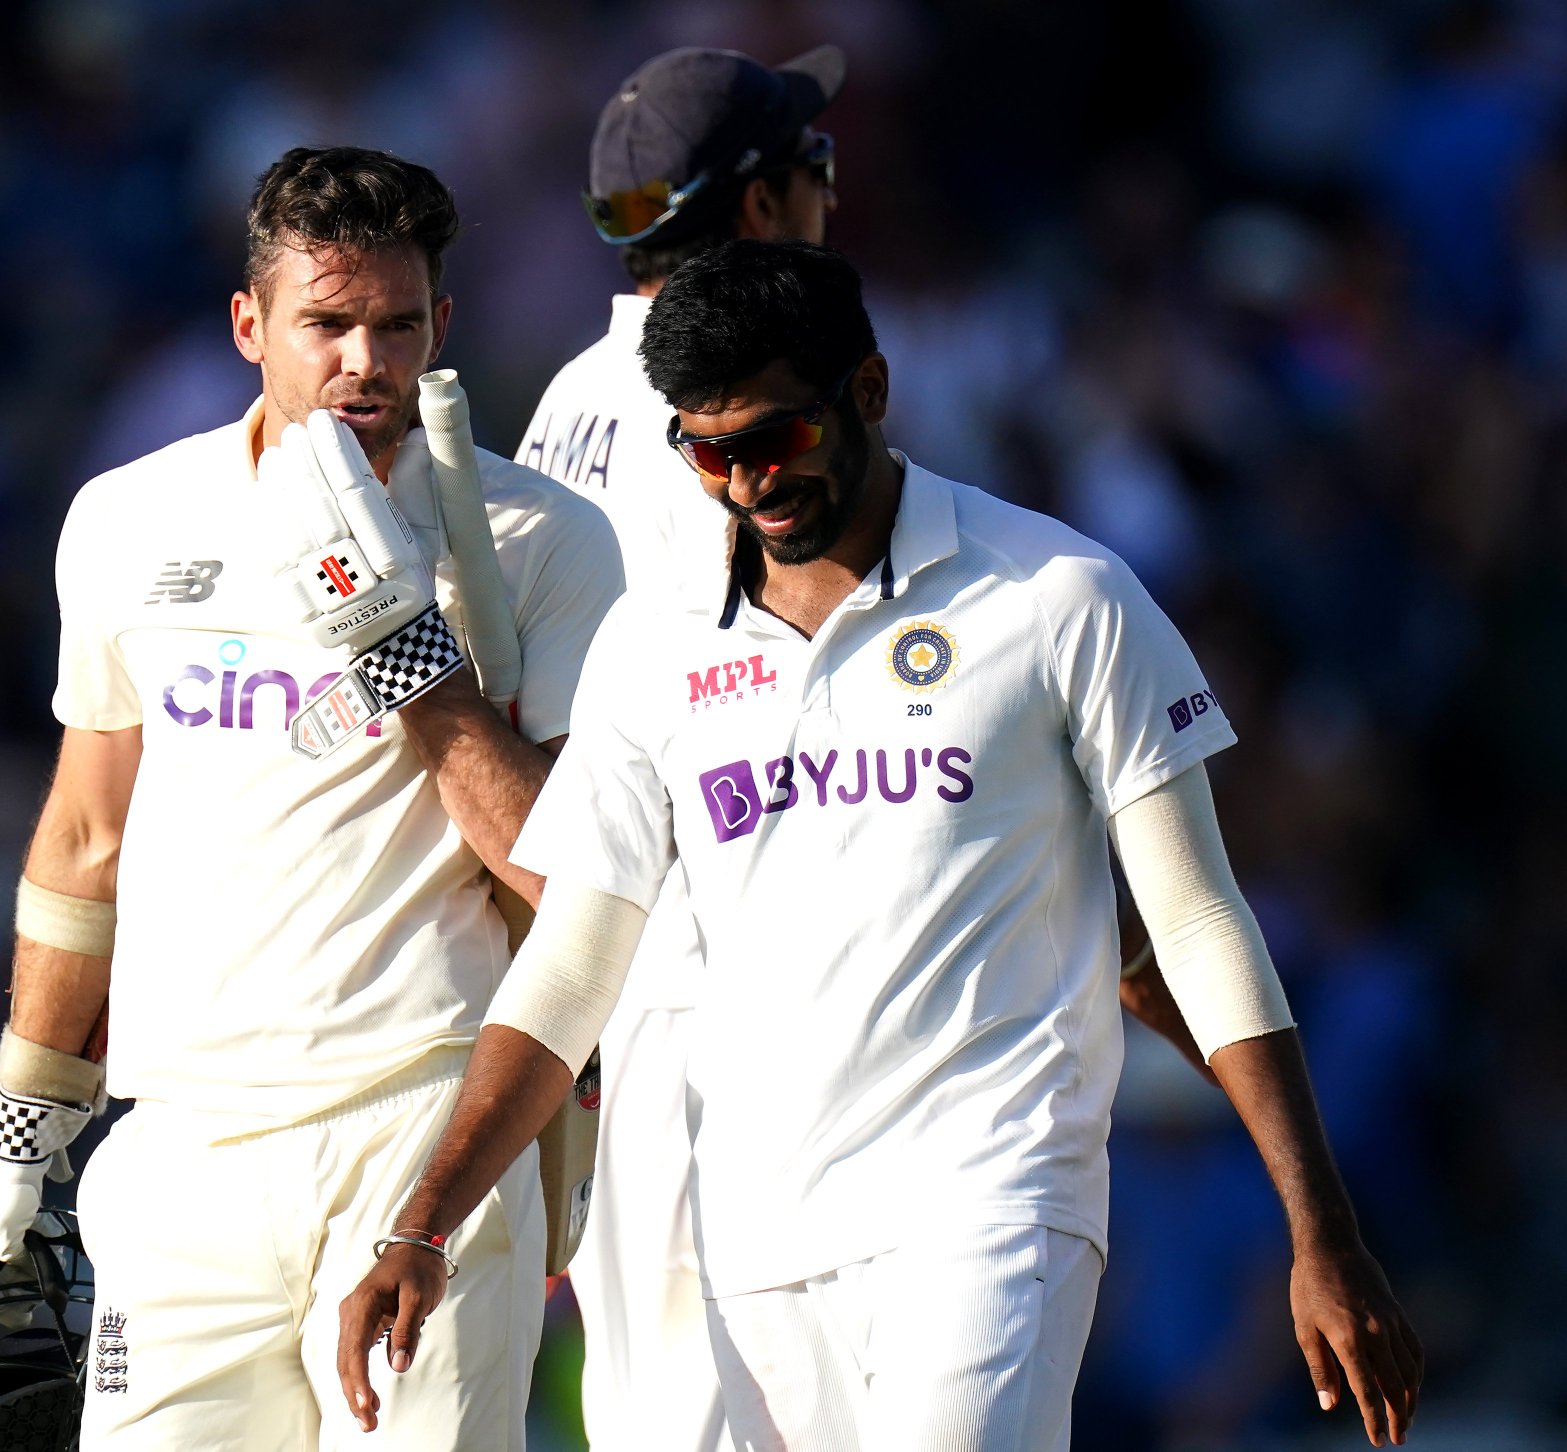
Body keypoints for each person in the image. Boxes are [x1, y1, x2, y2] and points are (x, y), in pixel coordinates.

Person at [338, 241, 1422, 1451]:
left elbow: (1193, 917)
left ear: (867, 388)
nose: (748, 482)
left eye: (775, 438)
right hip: (754, 1235)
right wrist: (421, 1225)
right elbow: (571, 972)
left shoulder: (1059, 595)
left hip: (994, 1197)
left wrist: (1318, 1225)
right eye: (708, 453)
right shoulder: (653, 644)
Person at [516, 47, 1216, 1452]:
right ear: (764, 202)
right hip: (768, 1025)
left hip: (632, 1025)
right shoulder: (740, 420)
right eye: (816, 165)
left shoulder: (561, 409)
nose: (836, 191)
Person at [0, 145, 623, 1450]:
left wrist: (407, 646)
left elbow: (574, 890)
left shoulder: (542, 539)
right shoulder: (129, 519)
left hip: (422, 1118)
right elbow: (86, 835)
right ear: (250, 325)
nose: (366, 361)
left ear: (442, 327)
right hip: (185, 1136)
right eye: (328, 324)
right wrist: (32, 1098)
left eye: (398, 325)